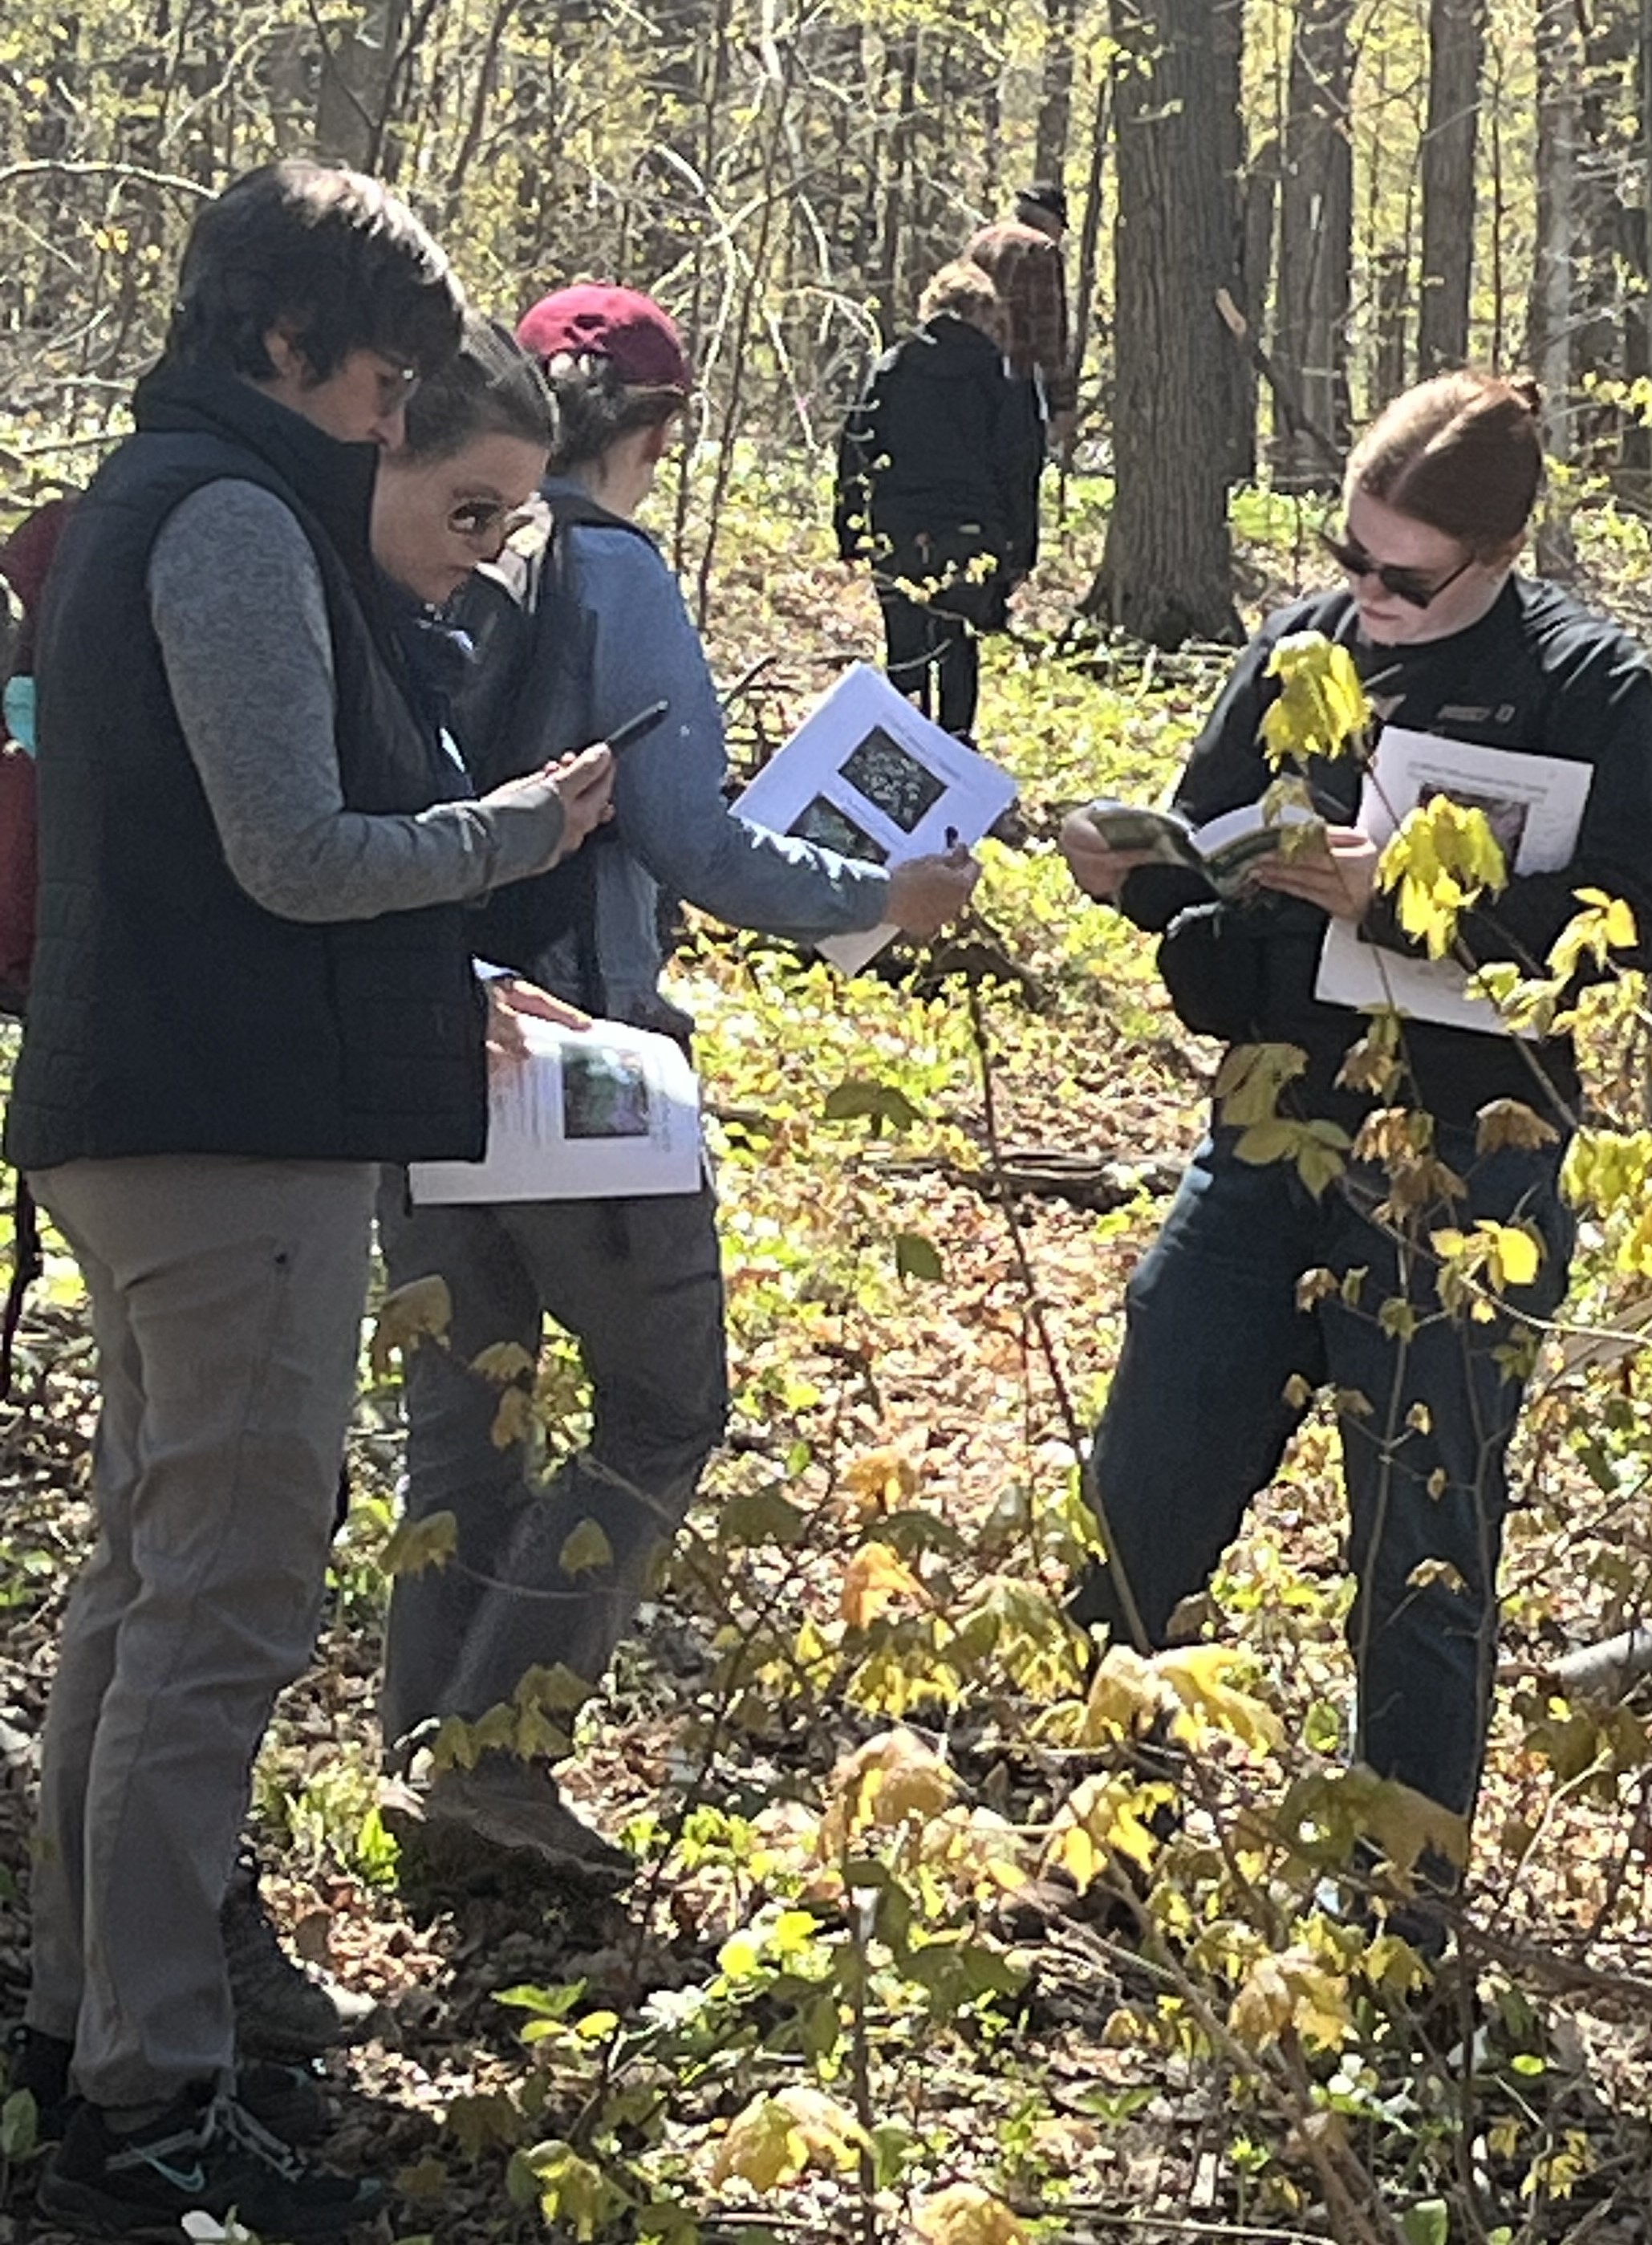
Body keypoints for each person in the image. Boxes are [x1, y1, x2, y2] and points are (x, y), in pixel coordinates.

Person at [6, 161, 615, 2242]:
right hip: (225, 1137)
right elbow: (286, 849)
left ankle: (95, 2015)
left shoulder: (158, 494)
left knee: (148, 1578)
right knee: (227, 1599)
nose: (391, 417)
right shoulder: (238, 512)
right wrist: (510, 828)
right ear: (289, 344)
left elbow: (211, 852)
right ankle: (152, 2097)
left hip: (156, 1109)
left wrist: (440, 968)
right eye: (378, 381)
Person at [375, 284, 980, 1888]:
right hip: (577, 1049)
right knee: (659, 1402)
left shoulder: (414, 550)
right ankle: (497, 1764)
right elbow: (690, 838)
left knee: (467, 1420)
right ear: (653, 430)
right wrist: (879, 897)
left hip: (411, 1026)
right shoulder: (615, 571)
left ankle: (418, 1753)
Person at [1057, 371, 1652, 1886]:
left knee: (1420, 1539)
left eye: (1402, 577)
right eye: (1349, 556)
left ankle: (1399, 1905)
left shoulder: (1584, 684)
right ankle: (1109, 1833)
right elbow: (1210, 897)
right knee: (1147, 1465)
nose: (1366, 596)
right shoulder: (1300, 653)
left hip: (1471, 1160)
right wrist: (1141, 879)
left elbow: (1615, 941)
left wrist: (1408, 891)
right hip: (1272, 1127)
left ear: (1498, 554)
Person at [835, 261, 1042, 741]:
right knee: (957, 639)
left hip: (896, 526)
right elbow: (1020, 467)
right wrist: (1020, 549)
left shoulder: (894, 366)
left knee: (904, 642)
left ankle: (901, 748)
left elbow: (856, 444)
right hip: (973, 532)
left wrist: (850, 526)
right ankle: (955, 746)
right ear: (982, 315)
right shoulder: (1004, 378)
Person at [966, 181, 1077, 443]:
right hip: (1015, 383)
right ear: (1054, 220)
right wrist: (1062, 401)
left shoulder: (981, 241)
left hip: (968, 377)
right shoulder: (1042, 250)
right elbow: (1049, 333)